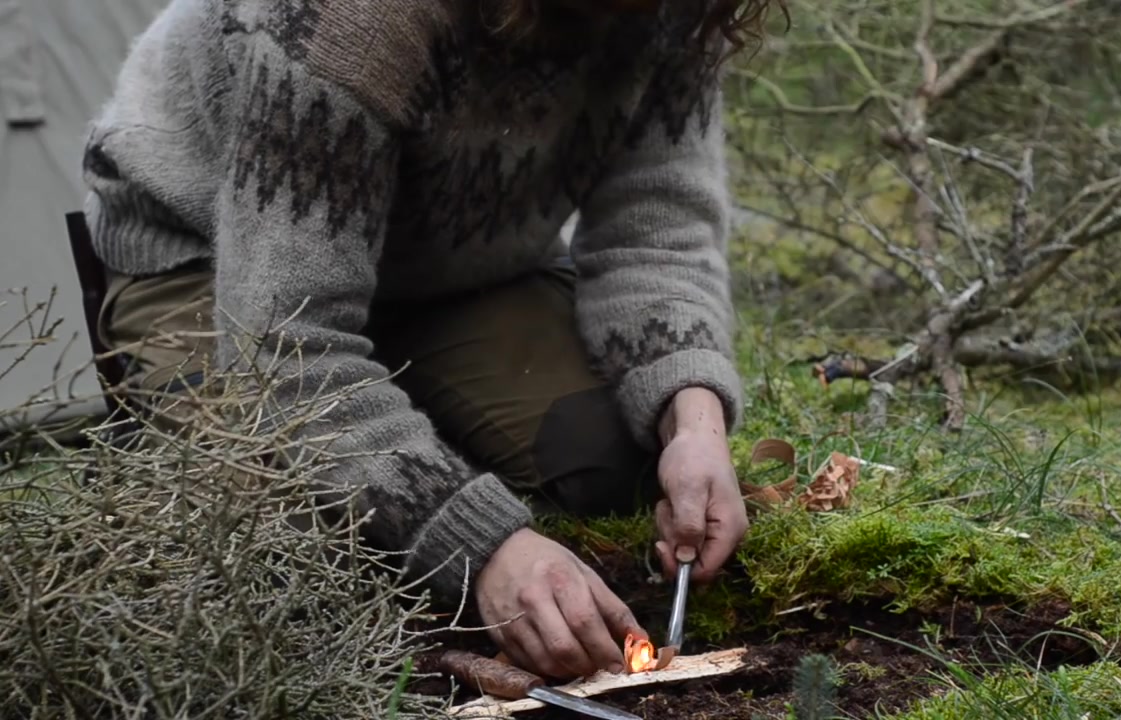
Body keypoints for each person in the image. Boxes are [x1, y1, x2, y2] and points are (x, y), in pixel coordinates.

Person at [81, 0, 782, 682]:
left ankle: (395, 413)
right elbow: (284, 344)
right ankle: (379, 432)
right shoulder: (353, 18)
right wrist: (486, 547)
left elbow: (656, 234)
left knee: (607, 457)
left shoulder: (683, 10)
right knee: (290, 549)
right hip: (216, 260)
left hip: (452, 267)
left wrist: (694, 422)